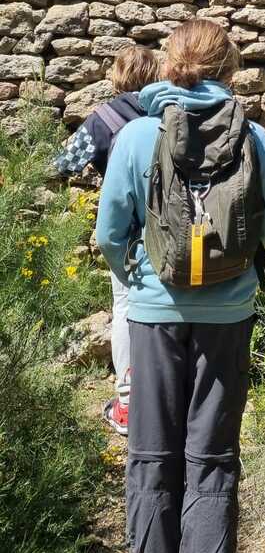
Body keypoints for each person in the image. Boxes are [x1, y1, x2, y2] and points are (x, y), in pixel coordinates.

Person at [96, 19, 265, 553]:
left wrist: (135, 282)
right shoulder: (254, 137)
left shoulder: (134, 136)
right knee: (213, 455)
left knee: (152, 452)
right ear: (229, 69)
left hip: (155, 315)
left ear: (169, 64)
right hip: (229, 313)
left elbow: (109, 232)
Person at [52, 44, 159, 437]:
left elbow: (63, 164)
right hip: (179, 233)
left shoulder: (105, 117)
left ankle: (129, 405)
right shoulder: (169, 113)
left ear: (117, 76)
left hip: (127, 235)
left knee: (126, 306)